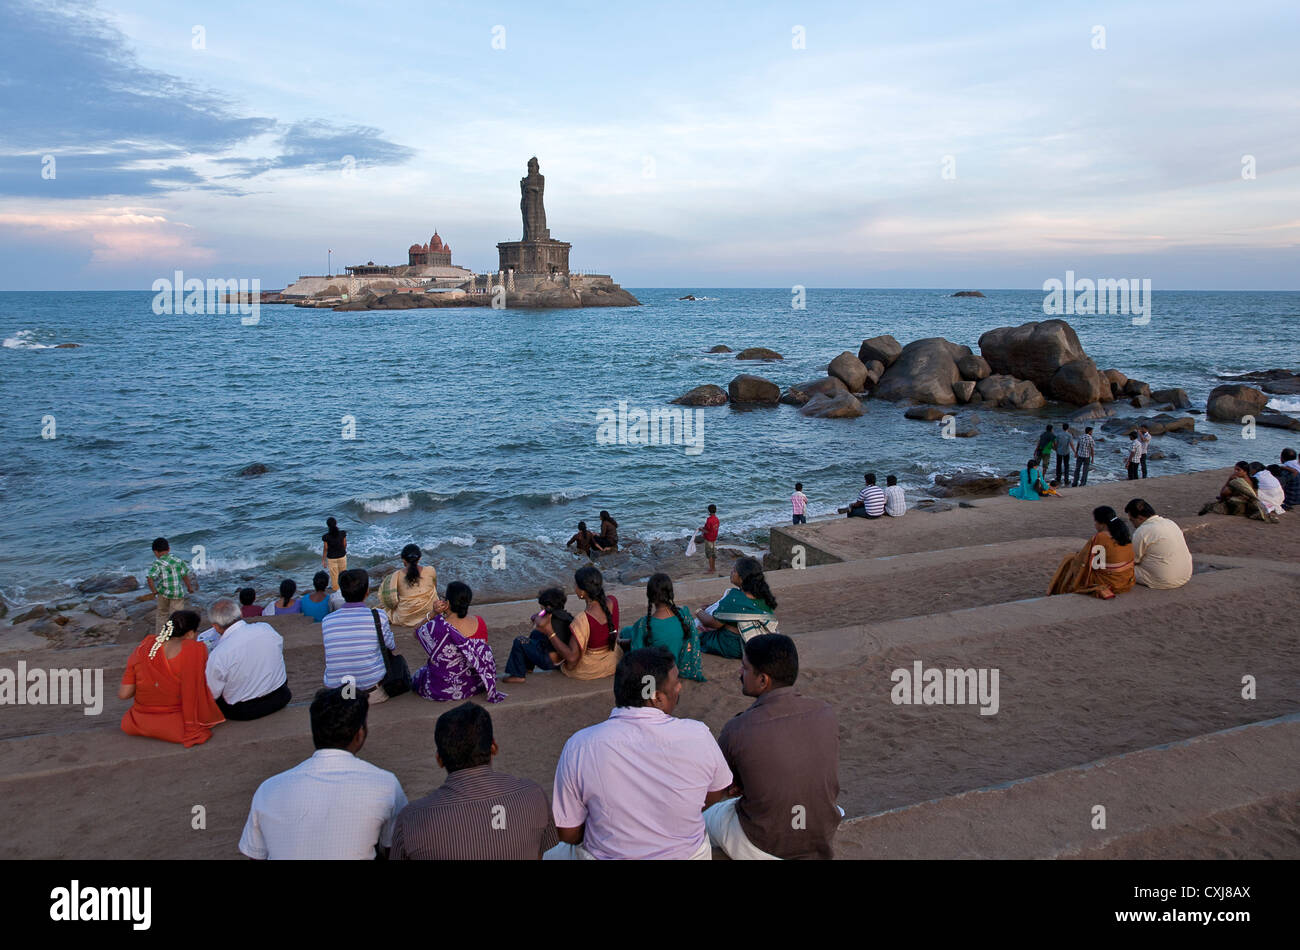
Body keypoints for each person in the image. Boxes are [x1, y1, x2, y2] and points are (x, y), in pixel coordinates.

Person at [545, 647, 732, 859]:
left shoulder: (580, 745)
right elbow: (714, 795)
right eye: (676, 681)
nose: (679, 686)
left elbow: (568, 834)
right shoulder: (698, 735)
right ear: (656, 697)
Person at [705, 634, 840, 859]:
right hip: (820, 832)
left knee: (706, 818)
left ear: (763, 680)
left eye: (745, 668)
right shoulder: (826, 712)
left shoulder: (738, 728)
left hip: (766, 842)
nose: (740, 673)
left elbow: (720, 787)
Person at [238, 687, 407, 860]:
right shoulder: (385, 784)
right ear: (360, 734)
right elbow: (393, 849)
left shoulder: (268, 789)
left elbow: (255, 855)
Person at [391, 703, 558, 860]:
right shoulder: (533, 795)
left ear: (439, 759)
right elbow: (549, 852)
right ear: (493, 747)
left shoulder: (411, 818)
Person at [119, 610, 224, 747]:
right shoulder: (195, 649)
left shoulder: (143, 648)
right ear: (190, 633)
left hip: (136, 722)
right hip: (177, 725)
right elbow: (195, 689)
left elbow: (124, 694)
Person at [411, 582, 505, 703]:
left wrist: (433, 613)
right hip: (476, 683)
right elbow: (481, 652)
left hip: (443, 688)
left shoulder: (437, 626)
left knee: (420, 675)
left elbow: (415, 632)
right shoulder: (479, 622)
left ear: (447, 603)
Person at [322, 568, 402, 704]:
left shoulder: (327, 621)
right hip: (371, 692)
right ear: (367, 593)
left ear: (341, 591)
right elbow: (391, 646)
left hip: (338, 694)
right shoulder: (378, 616)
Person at [205, 598, 291, 720]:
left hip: (244, 711)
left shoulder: (219, 653)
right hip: (281, 696)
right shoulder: (266, 628)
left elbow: (212, 693)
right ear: (241, 612)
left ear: (216, 627)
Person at [619, 573, 704, 681]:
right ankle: (624, 641)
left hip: (657, 668)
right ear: (670, 594)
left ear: (649, 596)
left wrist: (622, 642)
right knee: (632, 631)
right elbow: (692, 638)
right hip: (676, 662)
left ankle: (622, 642)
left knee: (627, 631)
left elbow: (638, 650)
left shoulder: (643, 624)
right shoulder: (684, 615)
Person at [1047, 506, 1135, 599]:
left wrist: (1078, 558)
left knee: (1069, 560)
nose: (1095, 524)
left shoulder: (1101, 537)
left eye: (1095, 521)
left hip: (1111, 581)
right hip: (1126, 579)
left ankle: (1057, 591)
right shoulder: (1124, 533)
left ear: (1102, 523)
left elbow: (1091, 564)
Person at [697, 557, 778, 658]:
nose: (731, 572)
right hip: (759, 640)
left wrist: (699, 611)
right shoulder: (763, 595)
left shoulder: (735, 598)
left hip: (735, 645)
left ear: (742, 577)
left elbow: (712, 623)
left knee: (701, 639)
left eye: (734, 570)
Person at [551, 566, 621, 680]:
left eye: (575, 585)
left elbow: (572, 658)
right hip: (612, 659)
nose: (574, 588)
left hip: (592, 668)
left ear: (583, 592)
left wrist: (549, 632)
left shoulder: (583, 618)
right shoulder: (613, 601)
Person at [502, 588, 570, 683]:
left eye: (542, 608)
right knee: (536, 634)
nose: (541, 610)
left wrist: (541, 613)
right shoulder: (566, 616)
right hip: (561, 660)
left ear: (548, 607)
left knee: (519, 641)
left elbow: (536, 620)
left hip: (548, 661)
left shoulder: (548, 618)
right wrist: (544, 611)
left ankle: (518, 675)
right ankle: (528, 667)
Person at [1124, 498, 1194, 589]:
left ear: (1140, 518)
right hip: (1185, 575)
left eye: (1132, 520)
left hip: (1164, 579)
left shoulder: (1142, 531)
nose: (1133, 524)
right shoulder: (1170, 523)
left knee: (1120, 569)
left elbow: (1132, 560)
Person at [146, 537, 197, 635]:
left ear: (155, 552)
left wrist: (154, 591)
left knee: (162, 614)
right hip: (177, 593)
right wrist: (189, 587)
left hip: (163, 593)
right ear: (169, 549)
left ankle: (160, 635)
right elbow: (184, 575)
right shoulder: (178, 561)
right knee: (177, 615)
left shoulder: (158, 563)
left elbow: (150, 578)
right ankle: (177, 635)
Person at [1197, 461, 1278, 522]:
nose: (1235, 472)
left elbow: (1223, 493)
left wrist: (1229, 479)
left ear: (1245, 472)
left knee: (1210, 506)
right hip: (1250, 506)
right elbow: (1254, 494)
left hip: (1239, 507)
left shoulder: (1237, 481)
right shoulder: (1253, 480)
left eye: (1238, 470)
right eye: (1235, 469)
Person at [380, 543, 438, 627]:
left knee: (384, 609)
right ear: (420, 558)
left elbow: (390, 601)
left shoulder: (396, 575)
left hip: (405, 617)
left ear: (403, 560)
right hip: (430, 613)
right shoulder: (431, 570)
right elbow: (435, 588)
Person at [321, 517, 348, 591]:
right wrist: (342, 551)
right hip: (342, 556)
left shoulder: (326, 537)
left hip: (331, 558)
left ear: (328, 526)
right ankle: (344, 592)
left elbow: (326, 548)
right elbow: (345, 544)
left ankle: (336, 592)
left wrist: (323, 560)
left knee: (334, 577)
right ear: (336, 524)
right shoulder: (342, 533)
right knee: (343, 575)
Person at [699, 504, 720, 573]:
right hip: (714, 538)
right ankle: (713, 568)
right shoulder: (717, 519)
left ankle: (711, 569)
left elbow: (707, 530)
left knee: (709, 554)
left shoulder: (709, 520)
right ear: (715, 510)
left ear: (709, 511)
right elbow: (713, 529)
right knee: (713, 554)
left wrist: (701, 529)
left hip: (709, 539)